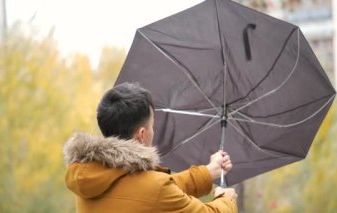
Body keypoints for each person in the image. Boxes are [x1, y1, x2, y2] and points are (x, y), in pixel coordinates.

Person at [63, 83, 238, 213]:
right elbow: (154, 190)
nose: (153, 131)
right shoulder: (155, 188)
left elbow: (144, 191)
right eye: (152, 126)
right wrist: (226, 199)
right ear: (141, 134)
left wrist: (208, 173)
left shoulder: (89, 177)